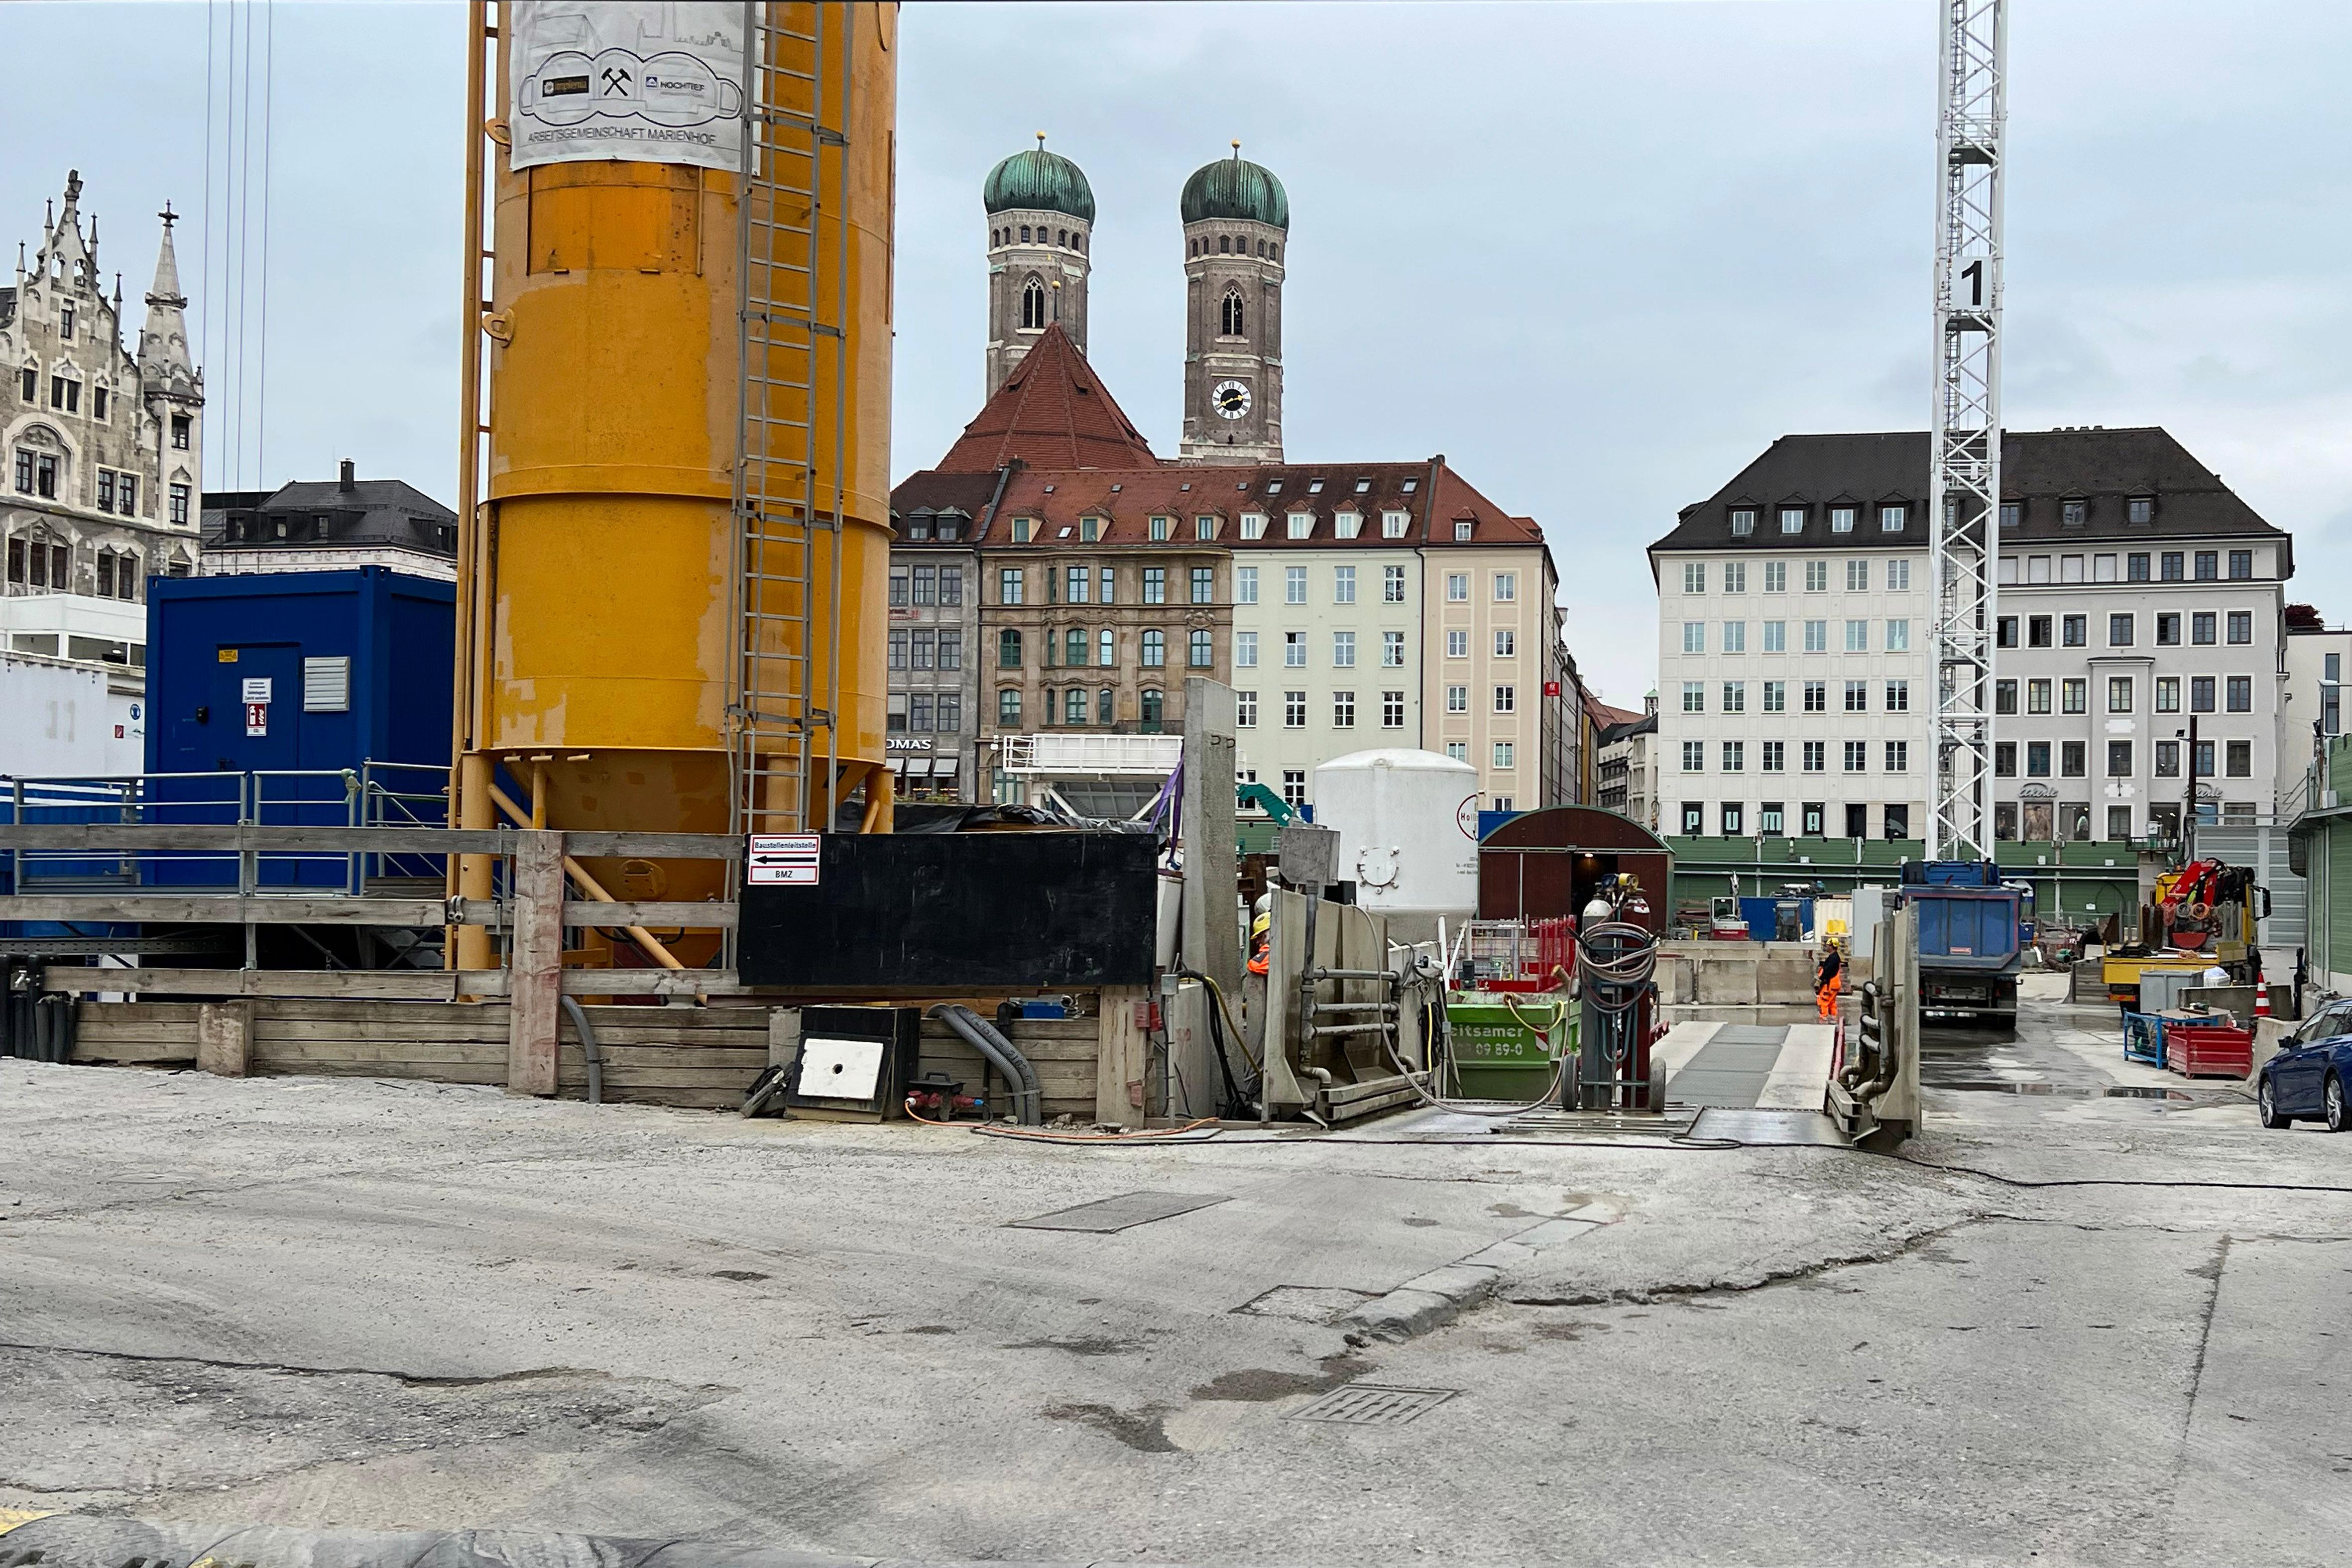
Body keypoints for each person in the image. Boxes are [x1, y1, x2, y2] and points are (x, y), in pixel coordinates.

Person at [1815, 938, 1844, 1022]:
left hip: (1830, 984)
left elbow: (1827, 971)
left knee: (1823, 1001)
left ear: (1831, 946)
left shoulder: (1833, 958)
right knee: (1832, 1002)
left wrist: (1820, 980)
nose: (1827, 947)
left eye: (1828, 946)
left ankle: (1823, 1018)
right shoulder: (1835, 957)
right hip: (1835, 984)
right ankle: (1834, 1017)